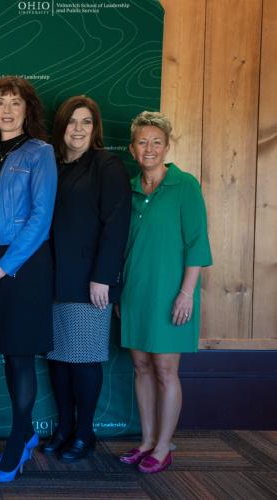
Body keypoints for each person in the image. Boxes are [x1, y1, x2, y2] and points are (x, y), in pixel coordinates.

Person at [118, 111, 212, 474]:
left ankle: (163, 446)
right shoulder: (127, 188)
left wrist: (187, 294)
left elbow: (197, 244)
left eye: (156, 142)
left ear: (167, 146)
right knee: (141, 367)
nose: (150, 148)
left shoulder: (184, 185)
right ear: (132, 148)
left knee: (165, 369)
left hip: (173, 294)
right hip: (136, 293)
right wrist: (120, 296)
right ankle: (145, 440)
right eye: (142, 142)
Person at [0, 77, 57, 483]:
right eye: (1, 103)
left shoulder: (40, 152)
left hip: (22, 271)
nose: (7, 110)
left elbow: (41, 220)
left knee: (21, 356)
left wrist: (3, 266)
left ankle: (18, 441)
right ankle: (25, 433)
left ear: (28, 110)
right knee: (9, 353)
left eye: (15, 103)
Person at [45, 95, 131, 462]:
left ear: (95, 129)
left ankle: (85, 433)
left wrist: (103, 278)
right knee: (58, 360)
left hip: (88, 283)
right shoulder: (50, 164)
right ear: (61, 126)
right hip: (50, 279)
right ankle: (64, 428)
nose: (77, 129)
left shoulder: (106, 165)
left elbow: (116, 226)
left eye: (86, 122)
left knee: (83, 360)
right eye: (72, 121)